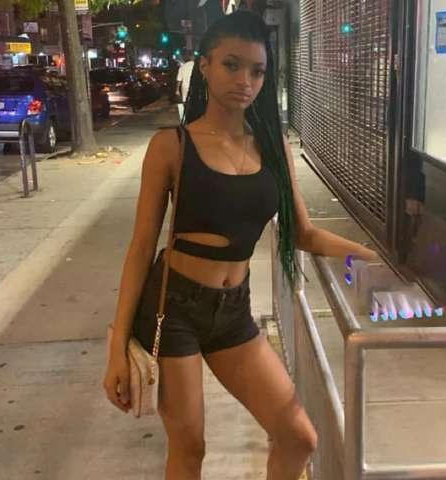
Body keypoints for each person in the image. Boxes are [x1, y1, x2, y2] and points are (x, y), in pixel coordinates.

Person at [103, 11, 378, 480]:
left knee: (299, 437)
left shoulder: (273, 148)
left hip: (233, 312)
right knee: (189, 448)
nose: (244, 81)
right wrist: (117, 347)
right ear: (205, 65)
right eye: (232, 65)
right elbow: (140, 250)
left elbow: (304, 233)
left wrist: (374, 257)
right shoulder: (171, 147)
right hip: (175, 310)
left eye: (257, 71)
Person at [176, 51, 195, 121]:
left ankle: (186, 117)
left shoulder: (182, 67)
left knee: (185, 102)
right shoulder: (196, 66)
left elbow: (179, 80)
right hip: (194, 86)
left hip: (185, 87)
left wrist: (177, 90)